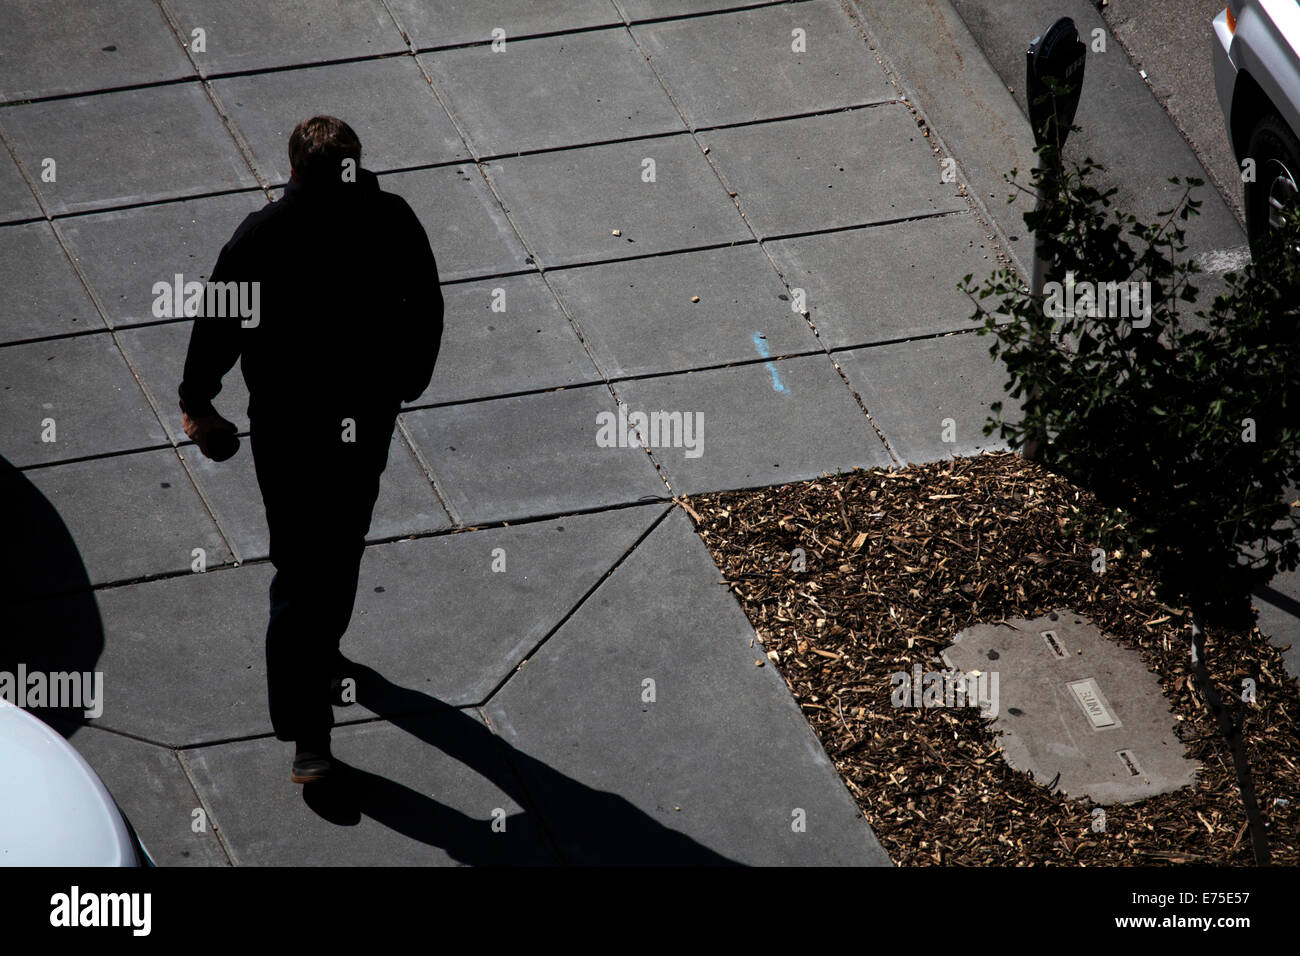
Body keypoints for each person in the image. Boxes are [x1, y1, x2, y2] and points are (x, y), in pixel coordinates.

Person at [178, 116, 443, 783]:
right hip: (349, 419)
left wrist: (199, 401)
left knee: (315, 562)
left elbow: (220, 319)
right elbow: (425, 306)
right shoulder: (387, 218)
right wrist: (406, 380)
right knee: (327, 554)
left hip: (295, 425)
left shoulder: (266, 233)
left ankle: (315, 697)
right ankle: (314, 699)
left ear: (292, 169)